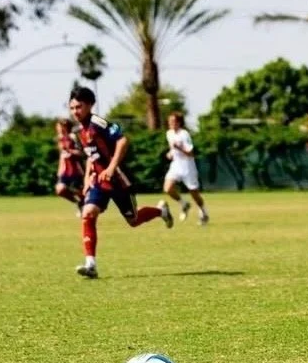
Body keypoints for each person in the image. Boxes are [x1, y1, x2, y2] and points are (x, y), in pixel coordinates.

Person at [69, 86, 173, 279]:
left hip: (118, 180)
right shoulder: (78, 132)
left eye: (79, 107)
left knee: (133, 220)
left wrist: (111, 168)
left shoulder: (97, 123)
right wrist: (86, 181)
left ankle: (161, 211)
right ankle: (90, 263)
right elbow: (91, 157)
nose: (75, 111)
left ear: (90, 105)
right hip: (98, 182)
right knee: (88, 213)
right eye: (72, 107)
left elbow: (122, 141)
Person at [164, 113, 209, 225]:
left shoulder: (184, 134)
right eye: (169, 121)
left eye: (173, 121)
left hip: (187, 167)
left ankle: (203, 213)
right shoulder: (169, 133)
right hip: (175, 165)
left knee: (194, 193)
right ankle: (184, 204)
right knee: (168, 188)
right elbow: (172, 149)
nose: (170, 123)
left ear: (179, 122)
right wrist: (170, 153)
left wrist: (178, 147)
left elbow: (190, 153)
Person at [54, 118, 85, 215]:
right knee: (60, 190)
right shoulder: (59, 139)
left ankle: (85, 202)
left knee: (80, 191)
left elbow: (82, 153)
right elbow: (62, 155)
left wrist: (70, 151)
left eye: (61, 127)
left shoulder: (73, 137)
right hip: (64, 171)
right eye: (58, 127)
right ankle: (78, 202)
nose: (60, 129)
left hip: (75, 170)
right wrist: (60, 168)